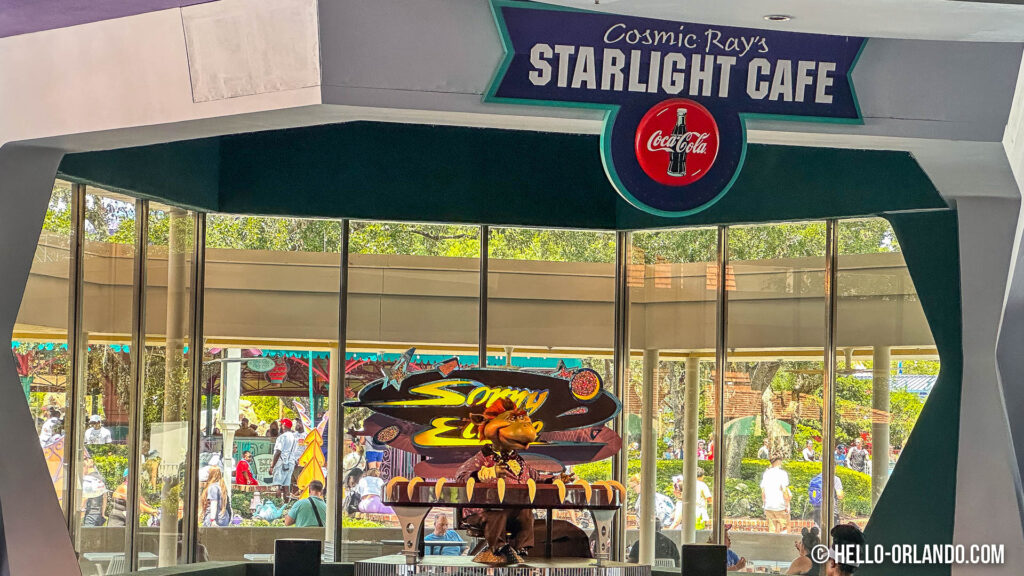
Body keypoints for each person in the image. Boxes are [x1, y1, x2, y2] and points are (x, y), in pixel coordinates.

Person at [761, 454, 791, 533]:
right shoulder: (782, 473)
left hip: (768, 506)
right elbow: (784, 490)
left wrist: (764, 504)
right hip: (780, 505)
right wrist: (787, 505)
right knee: (784, 529)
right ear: (778, 461)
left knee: (772, 530)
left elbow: (763, 491)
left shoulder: (766, 474)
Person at [270, 418, 299, 500]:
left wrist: (272, 466)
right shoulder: (294, 438)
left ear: (284, 426)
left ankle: (278, 503)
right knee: (286, 486)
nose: (280, 426)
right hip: (291, 463)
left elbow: (278, 452)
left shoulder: (282, 437)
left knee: (277, 485)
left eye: (281, 424)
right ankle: (286, 505)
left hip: (281, 463)